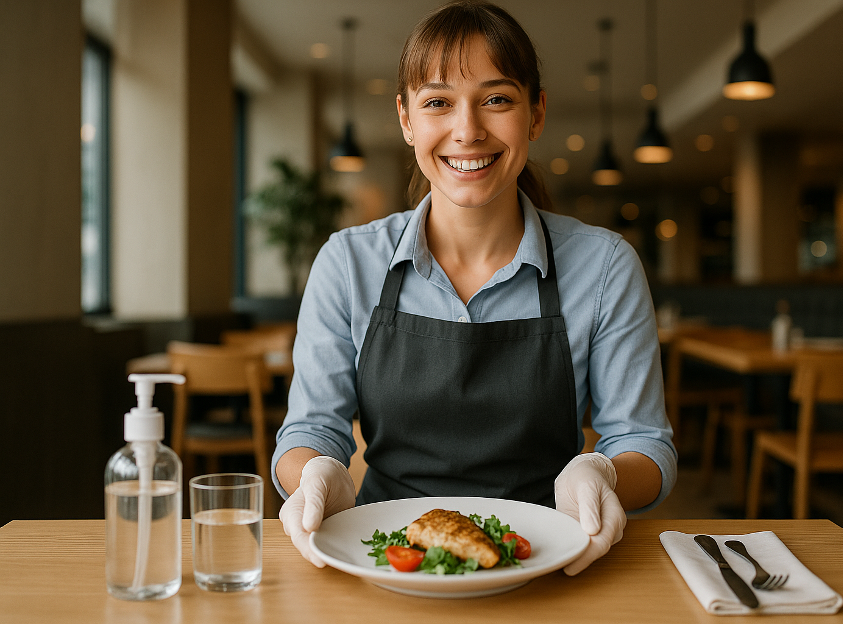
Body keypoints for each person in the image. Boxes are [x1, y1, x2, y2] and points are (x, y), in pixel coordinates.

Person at [274, 0, 676, 576]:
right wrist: (316, 473)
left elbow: (645, 444)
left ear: (535, 115)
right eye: (438, 102)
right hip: (388, 560)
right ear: (407, 118)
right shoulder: (347, 263)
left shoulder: (606, 265)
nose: (468, 130)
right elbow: (309, 429)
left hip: (550, 562)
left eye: (497, 99)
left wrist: (603, 471)